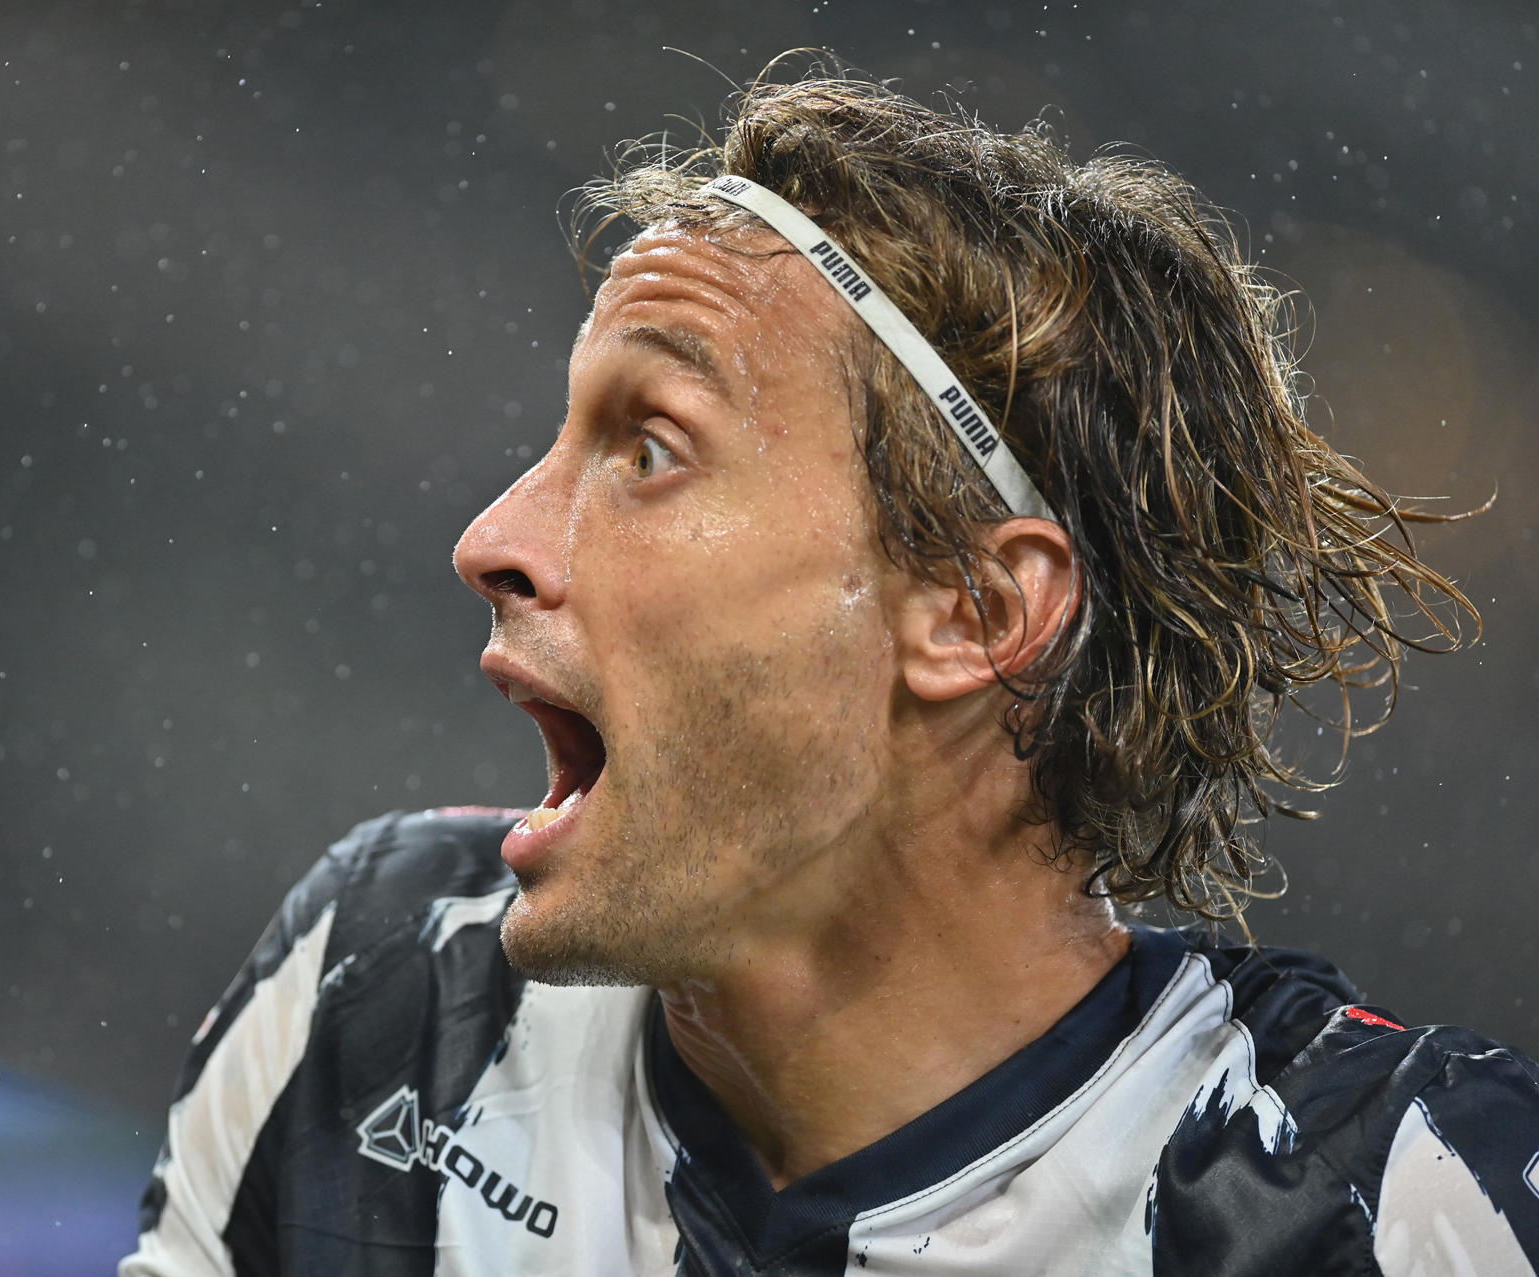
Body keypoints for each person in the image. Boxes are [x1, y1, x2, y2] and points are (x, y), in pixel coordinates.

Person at [120, 69, 1539, 1276]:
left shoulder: (1399, 1205)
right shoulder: (383, 997)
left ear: (977, 608)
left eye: (649, 449)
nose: (494, 538)